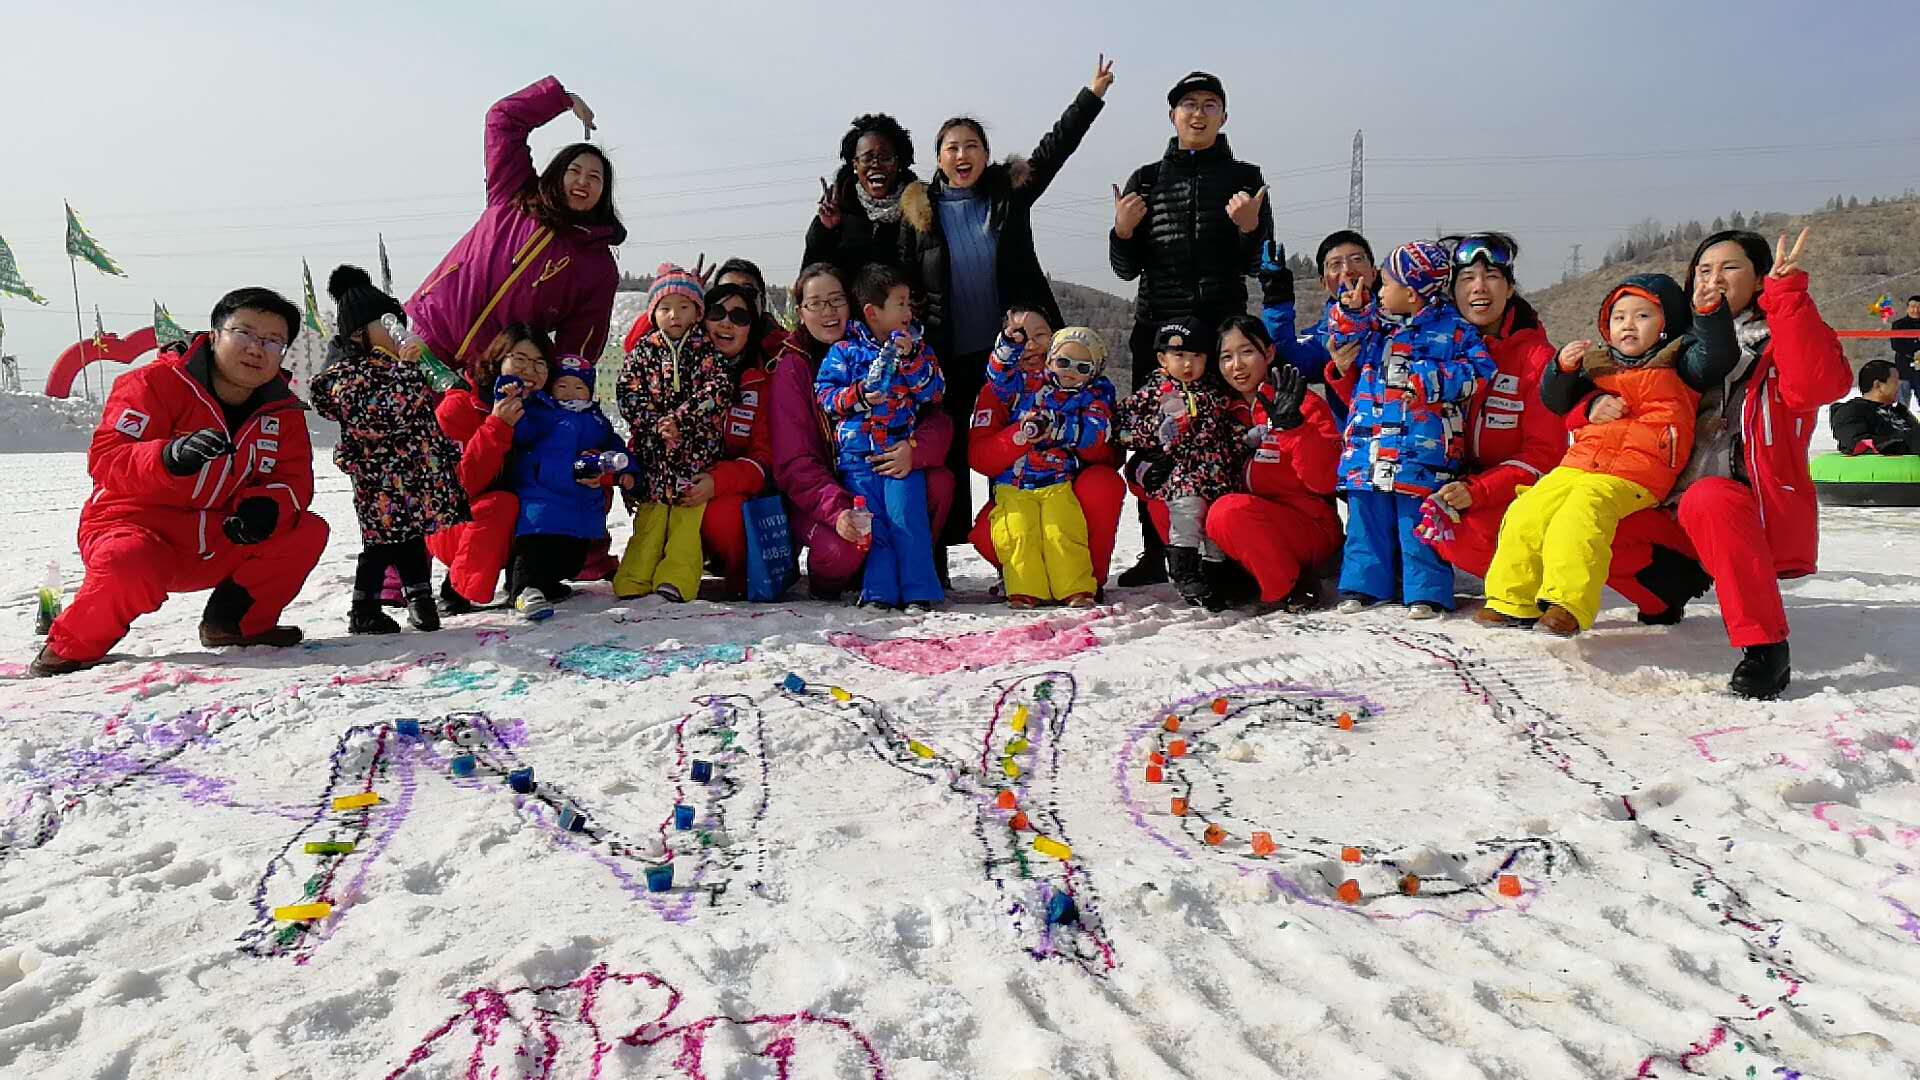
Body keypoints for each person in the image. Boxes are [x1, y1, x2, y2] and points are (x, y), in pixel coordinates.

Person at [1603, 229, 1850, 699]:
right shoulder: (1675, 347)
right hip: (1672, 503)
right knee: (1596, 516)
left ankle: (1765, 649)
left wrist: (1788, 294)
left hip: (1748, 505)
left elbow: (1817, 387)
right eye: (1704, 269)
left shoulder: (1782, 339)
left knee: (1709, 499)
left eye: (1729, 268)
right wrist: (1588, 407)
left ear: (1759, 280)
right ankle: (1667, 592)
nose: (1714, 277)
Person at [32, 288, 329, 676]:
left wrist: (266, 505)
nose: (257, 349)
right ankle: (70, 646)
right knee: (129, 563)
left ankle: (235, 625)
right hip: (138, 527)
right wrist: (167, 457)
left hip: (222, 534)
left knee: (305, 530)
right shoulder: (154, 383)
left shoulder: (283, 410)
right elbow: (107, 458)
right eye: (245, 333)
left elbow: (293, 480)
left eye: (273, 341)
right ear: (215, 333)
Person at [898, 56, 1114, 550]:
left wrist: (1092, 94)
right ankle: (951, 546)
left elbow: (1054, 149)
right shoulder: (918, 213)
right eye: (952, 147)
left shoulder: (1009, 195)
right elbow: (905, 281)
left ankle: (1012, 545)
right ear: (939, 158)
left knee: (1017, 440)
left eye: (971, 145)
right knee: (950, 445)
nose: (962, 154)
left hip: (1016, 349)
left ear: (986, 153)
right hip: (949, 350)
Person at [1479, 273, 1735, 636]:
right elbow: (1554, 399)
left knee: (1582, 510)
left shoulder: (1680, 361)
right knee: (1528, 508)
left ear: (1667, 325)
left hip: (1639, 470)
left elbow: (1717, 356)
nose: (1628, 325)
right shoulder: (1598, 363)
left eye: (1643, 316)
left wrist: (1709, 313)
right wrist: (1562, 369)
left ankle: (1567, 604)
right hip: (1580, 463)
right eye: (1619, 317)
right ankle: (1510, 600)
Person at [1108, 70, 1273, 586]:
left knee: (1227, 436)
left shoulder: (1247, 176)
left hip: (1222, 330)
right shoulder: (1146, 179)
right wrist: (1123, 231)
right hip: (1159, 328)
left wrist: (1250, 228)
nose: (1198, 114)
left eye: (1209, 104)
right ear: (1172, 115)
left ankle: (1226, 548)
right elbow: (1124, 268)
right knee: (1158, 440)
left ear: (1224, 115)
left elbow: (1256, 261)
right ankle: (1157, 548)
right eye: (1188, 105)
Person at [1326, 240, 1494, 619]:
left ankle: (1428, 592)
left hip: (1423, 452)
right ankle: (1362, 587)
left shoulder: (1454, 331)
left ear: (1413, 293)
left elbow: (1480, 372)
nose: (1380, 290)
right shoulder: (1375, 324)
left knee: (1418, 524)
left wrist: (1430, 379)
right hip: (1368, 450)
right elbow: (1341, 338)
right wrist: (1350, 311)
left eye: (1386, 283)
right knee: (1365, 522)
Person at [768, 264, 956, 599]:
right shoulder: (801, 364)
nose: (827, 311)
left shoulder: (906, 347)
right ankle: (870, 589)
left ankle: (918, 588)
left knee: (912, 508)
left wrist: (915, 449)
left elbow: (936, 406)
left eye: (835, 300)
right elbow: (796, 463)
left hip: (889, 454)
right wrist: (838, 511)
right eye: (815, 303)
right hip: (834, 485)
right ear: (800, 312)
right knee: (855, 539)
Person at [406, 76, 622, 368]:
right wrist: (563, 99)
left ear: (603, 193)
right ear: (558, 174)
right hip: (428, 332)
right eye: (575, 170)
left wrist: (568, 389)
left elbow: (578, 345)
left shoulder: (598, 267)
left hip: (491, 372)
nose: (582, 181)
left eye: (595, 177)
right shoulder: (515, 193)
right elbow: (502, 119)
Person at [310, 267, 471, 634]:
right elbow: (381, 415)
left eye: (397, 320)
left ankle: (420, 601)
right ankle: (364, 608)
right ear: (358, 333)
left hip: (412, 474)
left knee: (412, 538)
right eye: (386, 323)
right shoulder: (346, 375)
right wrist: (409, 371)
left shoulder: (395, 367)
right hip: (379, 478)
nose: (397, 330)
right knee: (381, 545)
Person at [1410, 234, 1567, 580]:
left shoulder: (1536, 359)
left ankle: (1528, 569)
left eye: (1492, 277)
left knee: (1467, 535)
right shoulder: (1434, 344)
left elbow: (1545, 454)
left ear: (1510, 288)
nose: (1479, 288)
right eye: (1467, 278)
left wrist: (1478, 491)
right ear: (1452, 291)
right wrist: (1342, 372)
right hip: (1443, 478)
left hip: (1508, 492)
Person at [965, 307, 1126, 593]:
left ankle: (1086, 580)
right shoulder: (1001, 389)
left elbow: (1110, 454)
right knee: (990, 531)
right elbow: (980, 458)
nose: (1030, 344)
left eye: (1040, 335)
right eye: (1021, 336)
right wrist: (1024, 433)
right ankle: (1025, 580)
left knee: (1102, 484)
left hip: (1065, 486)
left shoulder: (1090, 387)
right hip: (1018, 486)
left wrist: (1065, 431)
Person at [814, 264, 947, 610]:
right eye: (900, 303)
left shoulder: (919, 348)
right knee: (874, 528)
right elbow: (825, 397)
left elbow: (934, 393)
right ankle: (878, 592)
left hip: (898, 456)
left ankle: (920, 590)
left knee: (907, 518)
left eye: (909, 303)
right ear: (873, 312)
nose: (908, 311)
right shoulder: (844, 352)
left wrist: (912, 359)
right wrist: (856, 396)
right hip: (858, 461)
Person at [612, 266, 731, 602]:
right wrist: (654, 424)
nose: (673, 315)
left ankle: (677, 579)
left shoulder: (705, 350)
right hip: (654, 454)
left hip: (694, 451)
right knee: (650, 517)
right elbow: (627, 392)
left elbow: (717, 390)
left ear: (696, 311)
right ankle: (634, 576)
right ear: (653, 313)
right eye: (665, 308)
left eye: (683, 307)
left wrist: (682, 418)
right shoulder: (643, 352)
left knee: (685, 519)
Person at [1212, 315, 1343, 610]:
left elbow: (1326, 480)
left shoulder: (1302, 403)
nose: (1237, 365)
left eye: (1246, 352)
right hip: (1254, 528)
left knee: (1227, 511)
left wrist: (1294, 427)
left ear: (1268, 353)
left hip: (1310, 526)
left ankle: (1290, 586)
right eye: (1226, 357)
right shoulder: (1220, 413)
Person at [1114, 316, 1243, 609]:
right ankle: (1183, 570)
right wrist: (1153, 431)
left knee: (1216, 527)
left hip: (1218, 473)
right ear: (1162, 358)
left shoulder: (1214, 392)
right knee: (1187, 515)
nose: (1188, 364)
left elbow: (1228, 427)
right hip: (1182, 474)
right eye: (1179, 355)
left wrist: (1245, 438)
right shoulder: (1152, 393)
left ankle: (1216, 576)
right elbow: (1120, 429)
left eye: (1196, 356)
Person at [428, 325, 552, 612]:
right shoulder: (459, 406)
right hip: (451, 525)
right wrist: (496, 427)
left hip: (511, 525)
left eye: (539, 363)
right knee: (502, 503)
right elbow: (454, 488)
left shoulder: (544, 410)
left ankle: (529, 579)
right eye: (520, 359)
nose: (529, 371)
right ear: (498, 359)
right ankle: (457, 589)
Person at [505, 354, 623, 619]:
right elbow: (521, 432)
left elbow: (613, 444)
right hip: (542, 490)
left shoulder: (596, 419)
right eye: (562, 386)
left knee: (571, 557)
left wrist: (627, 470)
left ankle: (546, 584)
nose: (570, 392)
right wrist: (512, 397)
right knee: (535, 543)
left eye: (579, 387)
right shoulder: (542, 411)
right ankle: (523, 590)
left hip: (578, 497)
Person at [682, 281, 779, 598]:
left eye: (739, 317)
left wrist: (716, 481)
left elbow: (764, 459)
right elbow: (645, 337)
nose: (726, 322)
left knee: (724, 511)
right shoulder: (675, 368)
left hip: (730, 492)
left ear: (752, 329)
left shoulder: (762, 381)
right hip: (679, 482)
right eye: (716, 312)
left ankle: (738, 570)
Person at [1257, 231, 1377, 427]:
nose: (1347, 270)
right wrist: (1277, 297)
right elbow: (1282, 357)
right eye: (1335, 264)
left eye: (1356, 259)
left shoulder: (1401, 322)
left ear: (1374, 272)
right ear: (1323, 282)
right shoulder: (1324, 338)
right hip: (1357, 446)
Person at [806, 114, 917, 282]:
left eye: (885, 157)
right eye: (867, 158)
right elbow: (813, 281)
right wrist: (825, 230)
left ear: (899, 163)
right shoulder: (838, 214)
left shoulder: (921, 211)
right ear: (855, 165)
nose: (876, 164)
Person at [1831, 359, 1917, 455]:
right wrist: (1907, 441)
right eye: (1895, 382)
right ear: (1878, 385)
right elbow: (1858, 442)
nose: (1898, 387)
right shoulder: (1851, 412)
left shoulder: (1899, 412)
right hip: (1883, 466)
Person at [1889, 295, 1920, 408]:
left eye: (1919, 307)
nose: (1916, 310)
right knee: (1902, 405)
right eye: (1913, 306)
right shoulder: (1898, 325)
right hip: (1904, 370)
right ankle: (1903, 424)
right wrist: (1914, 353)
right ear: (1907, 308)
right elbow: (1896, 345)